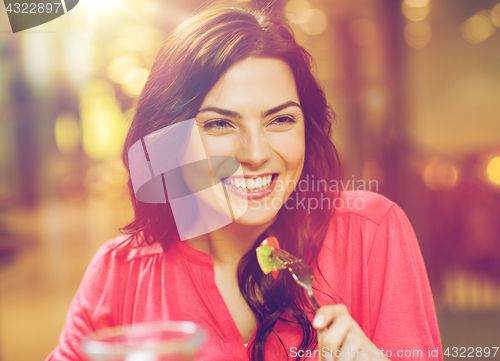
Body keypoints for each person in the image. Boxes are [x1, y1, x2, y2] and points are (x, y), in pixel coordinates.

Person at [47, 2, 443, 360]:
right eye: (220, 124)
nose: (255, 153)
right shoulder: (122, 273)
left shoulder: (369, 233)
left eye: (281, 119)